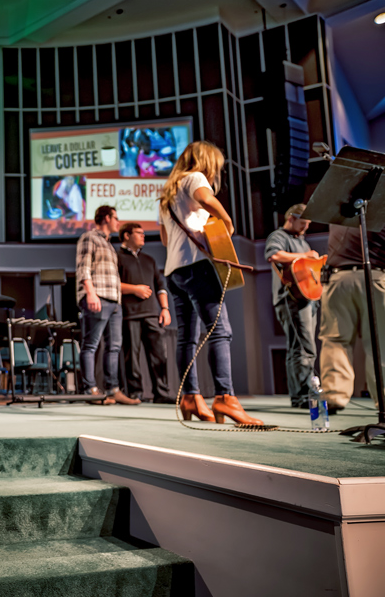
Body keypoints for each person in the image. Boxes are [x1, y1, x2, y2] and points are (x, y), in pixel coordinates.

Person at [158, 141, 262, 425]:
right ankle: (225, 397)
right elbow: (206, 198)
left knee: (187, 338)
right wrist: (226, 222)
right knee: (220, 331)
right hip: (197, 267)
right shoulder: (195, 178)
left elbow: (165, 240)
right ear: (207, 161)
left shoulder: (168, 195)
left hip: (174, 271)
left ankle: (190, 397)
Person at [75, 205, 140, 405]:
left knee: (114, 347)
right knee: (91, 344)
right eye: (115, 218)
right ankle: (90, 389)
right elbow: (83, 267)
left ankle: (112, 390)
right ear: (105, 218)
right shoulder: (89, 238)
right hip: (98, 297)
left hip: (114, 301)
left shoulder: (110, 245)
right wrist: (91, 293)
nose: (118, 222)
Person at [319, 224, 385, 412]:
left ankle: (334, 396)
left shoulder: (339, 206)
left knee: (335, 340)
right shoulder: (379, 207)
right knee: (379, 342)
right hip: (374, 275)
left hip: (337, 278)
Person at [265, 203, 321, 409]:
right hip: (291, 299)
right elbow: (274, 255)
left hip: (307, 299)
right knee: (304, 348)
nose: (306, 228)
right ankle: (303, 396)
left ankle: (300, 395)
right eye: (303, 223)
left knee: (298, 347)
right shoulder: (279, 236)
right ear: (291, 218)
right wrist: (306, 256)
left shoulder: (302, 242)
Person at [116, 222, 173, 403]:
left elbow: (160, 286)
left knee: (159, 356)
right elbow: (111, 285)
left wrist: (165, 309)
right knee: (131, 357)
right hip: (129, 314)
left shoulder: (149, 260)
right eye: (139, 233)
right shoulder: (116, 257)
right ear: (127, 235)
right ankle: (135, 393)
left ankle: (161, 394)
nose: (143, 236)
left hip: (152, 314)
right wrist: (134, 289)